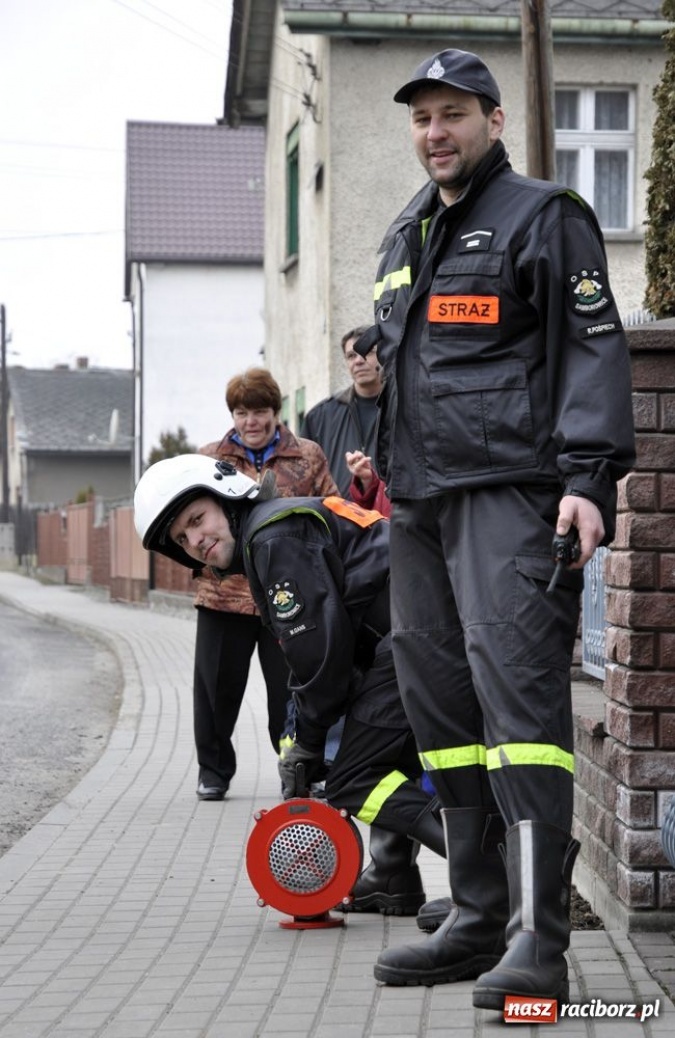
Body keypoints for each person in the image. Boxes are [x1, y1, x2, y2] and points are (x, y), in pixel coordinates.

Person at [354, 48, 636, 1009]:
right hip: (419, 508)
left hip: (510, 496)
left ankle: (536, 940)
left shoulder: (542, 218)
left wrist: (588, 479)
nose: (435, 133)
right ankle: (473, 916)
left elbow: (591, 352)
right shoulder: (403, 235)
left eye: (453, 115)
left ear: (493, 120)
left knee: (519, 713)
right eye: (421, 118)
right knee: (438, 708)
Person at [133, 454, 448, 914]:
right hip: (419, 628)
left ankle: (486, 878)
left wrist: (309, 743)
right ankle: (392, 876)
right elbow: (315, 653)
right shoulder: (272, 530)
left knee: (353, 777)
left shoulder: (272, 538)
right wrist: (301, 735)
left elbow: (320, 655)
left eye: (198, 519)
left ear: (227, 498)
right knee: (383, 754)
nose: (196, 540)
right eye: (183, 537)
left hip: (416, 632)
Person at [189, 367, 337, 800]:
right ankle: (213, 773)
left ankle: (298, 769)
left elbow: (330, 507)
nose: (250, 422)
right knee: (216, 690)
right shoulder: (208, 458)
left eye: (259, 411)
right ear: (232, 416)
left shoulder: (306, 455)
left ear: (275, 411)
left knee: (290, 693)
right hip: (223, 597)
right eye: (241, 412)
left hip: (287, 598)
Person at [301, 327, 383, 497]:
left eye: (367, 352)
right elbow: (305, 477)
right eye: (351, 356)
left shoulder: (401, 408)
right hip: (339, 519)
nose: (358, 361)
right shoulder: (320, 417)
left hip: (391, 518)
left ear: (383, 355)